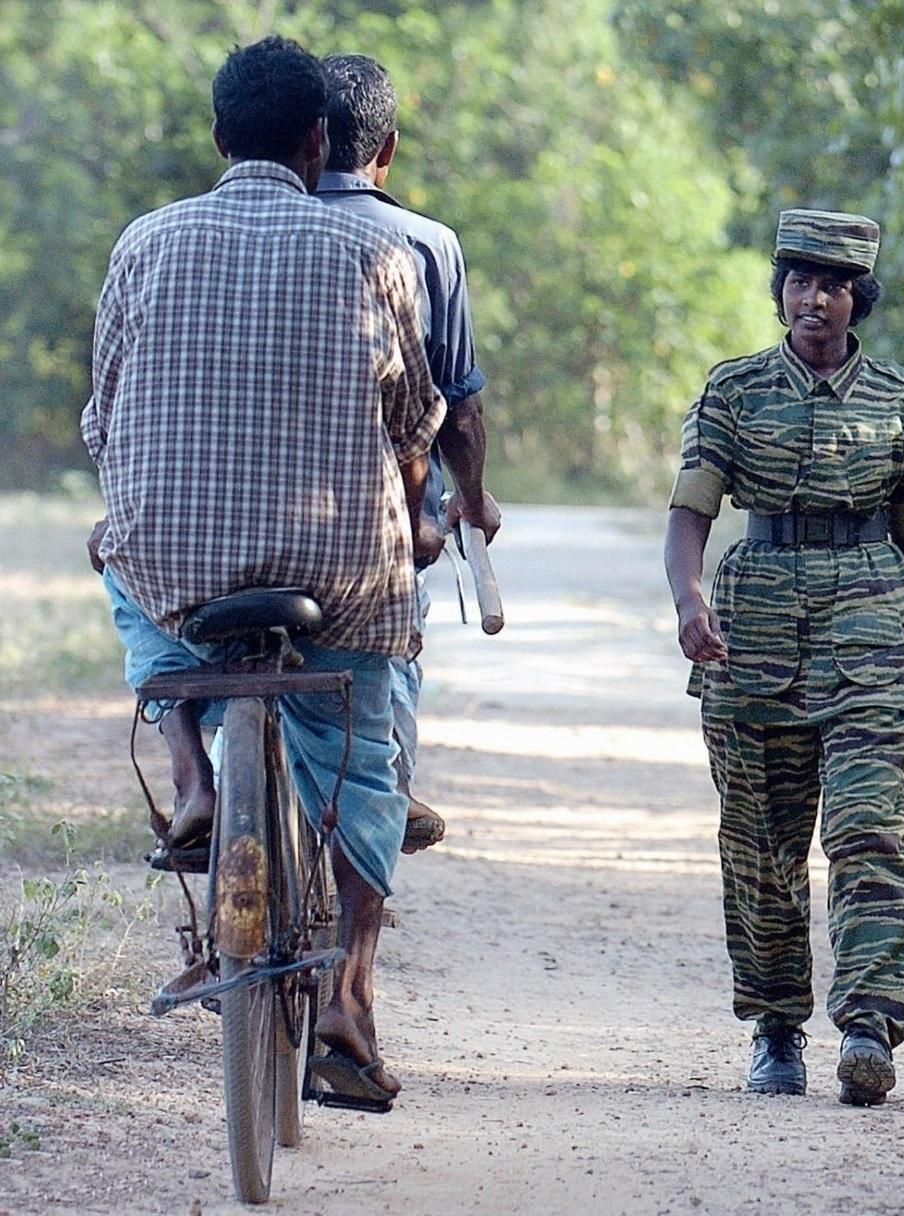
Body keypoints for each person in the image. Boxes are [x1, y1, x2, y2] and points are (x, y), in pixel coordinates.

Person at [81, 35, 444, 1111]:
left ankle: (193, 772)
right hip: (339, 576)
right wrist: (410, 510)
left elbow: (102, 419)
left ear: (216, 136)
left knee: (120, 562)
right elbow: (412, 423)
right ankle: (349, 1000)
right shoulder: (375, 252)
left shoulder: (144, 243)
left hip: (180, 570)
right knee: (364, 763)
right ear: (319, 141)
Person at [663, 210, 904, 1106]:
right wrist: (689, 599)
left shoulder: (901, 402)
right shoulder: (735, 390)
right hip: (753, 639)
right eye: (799, 281)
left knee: (869, 831)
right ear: (780, 289)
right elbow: (691, 510)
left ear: (859, 298)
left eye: (833, 285)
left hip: (873, 636)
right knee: (762, 844)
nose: (813, 299)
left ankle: (869, 1026)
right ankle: (776, 1026)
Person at [316, 53, 503, 854]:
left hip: (248, 519)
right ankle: (384, 805)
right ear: (386, 148)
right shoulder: (426, 245)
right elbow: (456, 409)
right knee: (385, 656)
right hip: (385, 531)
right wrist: (473, 498)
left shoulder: (251, 230)